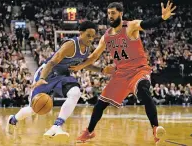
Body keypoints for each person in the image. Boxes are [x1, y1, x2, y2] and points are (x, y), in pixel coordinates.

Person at [70, 1, 176, 144]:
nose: (110, 16)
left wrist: (162, 18)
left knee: (144, 92)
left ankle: (155, 128)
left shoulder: (130, 26)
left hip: (138, 70)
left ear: (121, 13)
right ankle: (89, 132)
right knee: (100, 104)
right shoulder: (106, 37)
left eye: (113, 13)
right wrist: (80, 65)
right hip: (121, 74)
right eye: (108, 14)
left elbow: (147, 23)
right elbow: (94, 56)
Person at [6, 21, 112, 141]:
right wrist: (41, 78)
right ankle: (13, 119)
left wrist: (102, 70)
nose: (91, 39)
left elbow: (84, 64)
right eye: (88, 35)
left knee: (75, 92)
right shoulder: (70, 45)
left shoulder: (86, 49)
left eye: (93, 36)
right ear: (81, 33)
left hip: (62, 76)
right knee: (34, 109)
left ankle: (57, 126)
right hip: (47, 73)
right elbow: (51, 62)